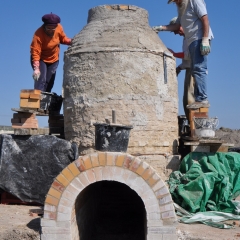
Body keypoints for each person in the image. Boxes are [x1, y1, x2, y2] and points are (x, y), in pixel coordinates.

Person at [152, 0, 214, 109]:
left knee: (199, 69)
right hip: (192, 40)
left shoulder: (194, 1)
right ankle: (201, 99)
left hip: (199, 38)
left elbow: (205, 19)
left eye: (176, 0)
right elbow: (177, 26)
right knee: (196, 69)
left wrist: (205, 39)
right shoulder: (181, 8)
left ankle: (202, 99)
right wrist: (160, 28)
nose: (176, 3)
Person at [30, 13, 72, 92]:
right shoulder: (38, 34)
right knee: (41, 79)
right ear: (44, 26)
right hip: (40, 59)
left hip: (53, 59)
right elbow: (35, 51)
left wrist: (71, 41)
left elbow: (62, 39)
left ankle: (46, 100)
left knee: (49, 81)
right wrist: (36, 68)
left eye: (53, 28)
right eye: (48, 28)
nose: (51, 30)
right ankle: (38, 100)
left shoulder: (59, 28)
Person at [167, 17, 195, 123]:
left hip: (193, 70)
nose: (177, 33)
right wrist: (179, 67)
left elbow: (189, 56)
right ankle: (191, 125)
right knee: (186, 101)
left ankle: (194, 126)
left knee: (191, 100)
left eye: (176, 30)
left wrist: (174, 54)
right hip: (189, 69)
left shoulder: (191, 36)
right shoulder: (185, 38)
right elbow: (186, 60)